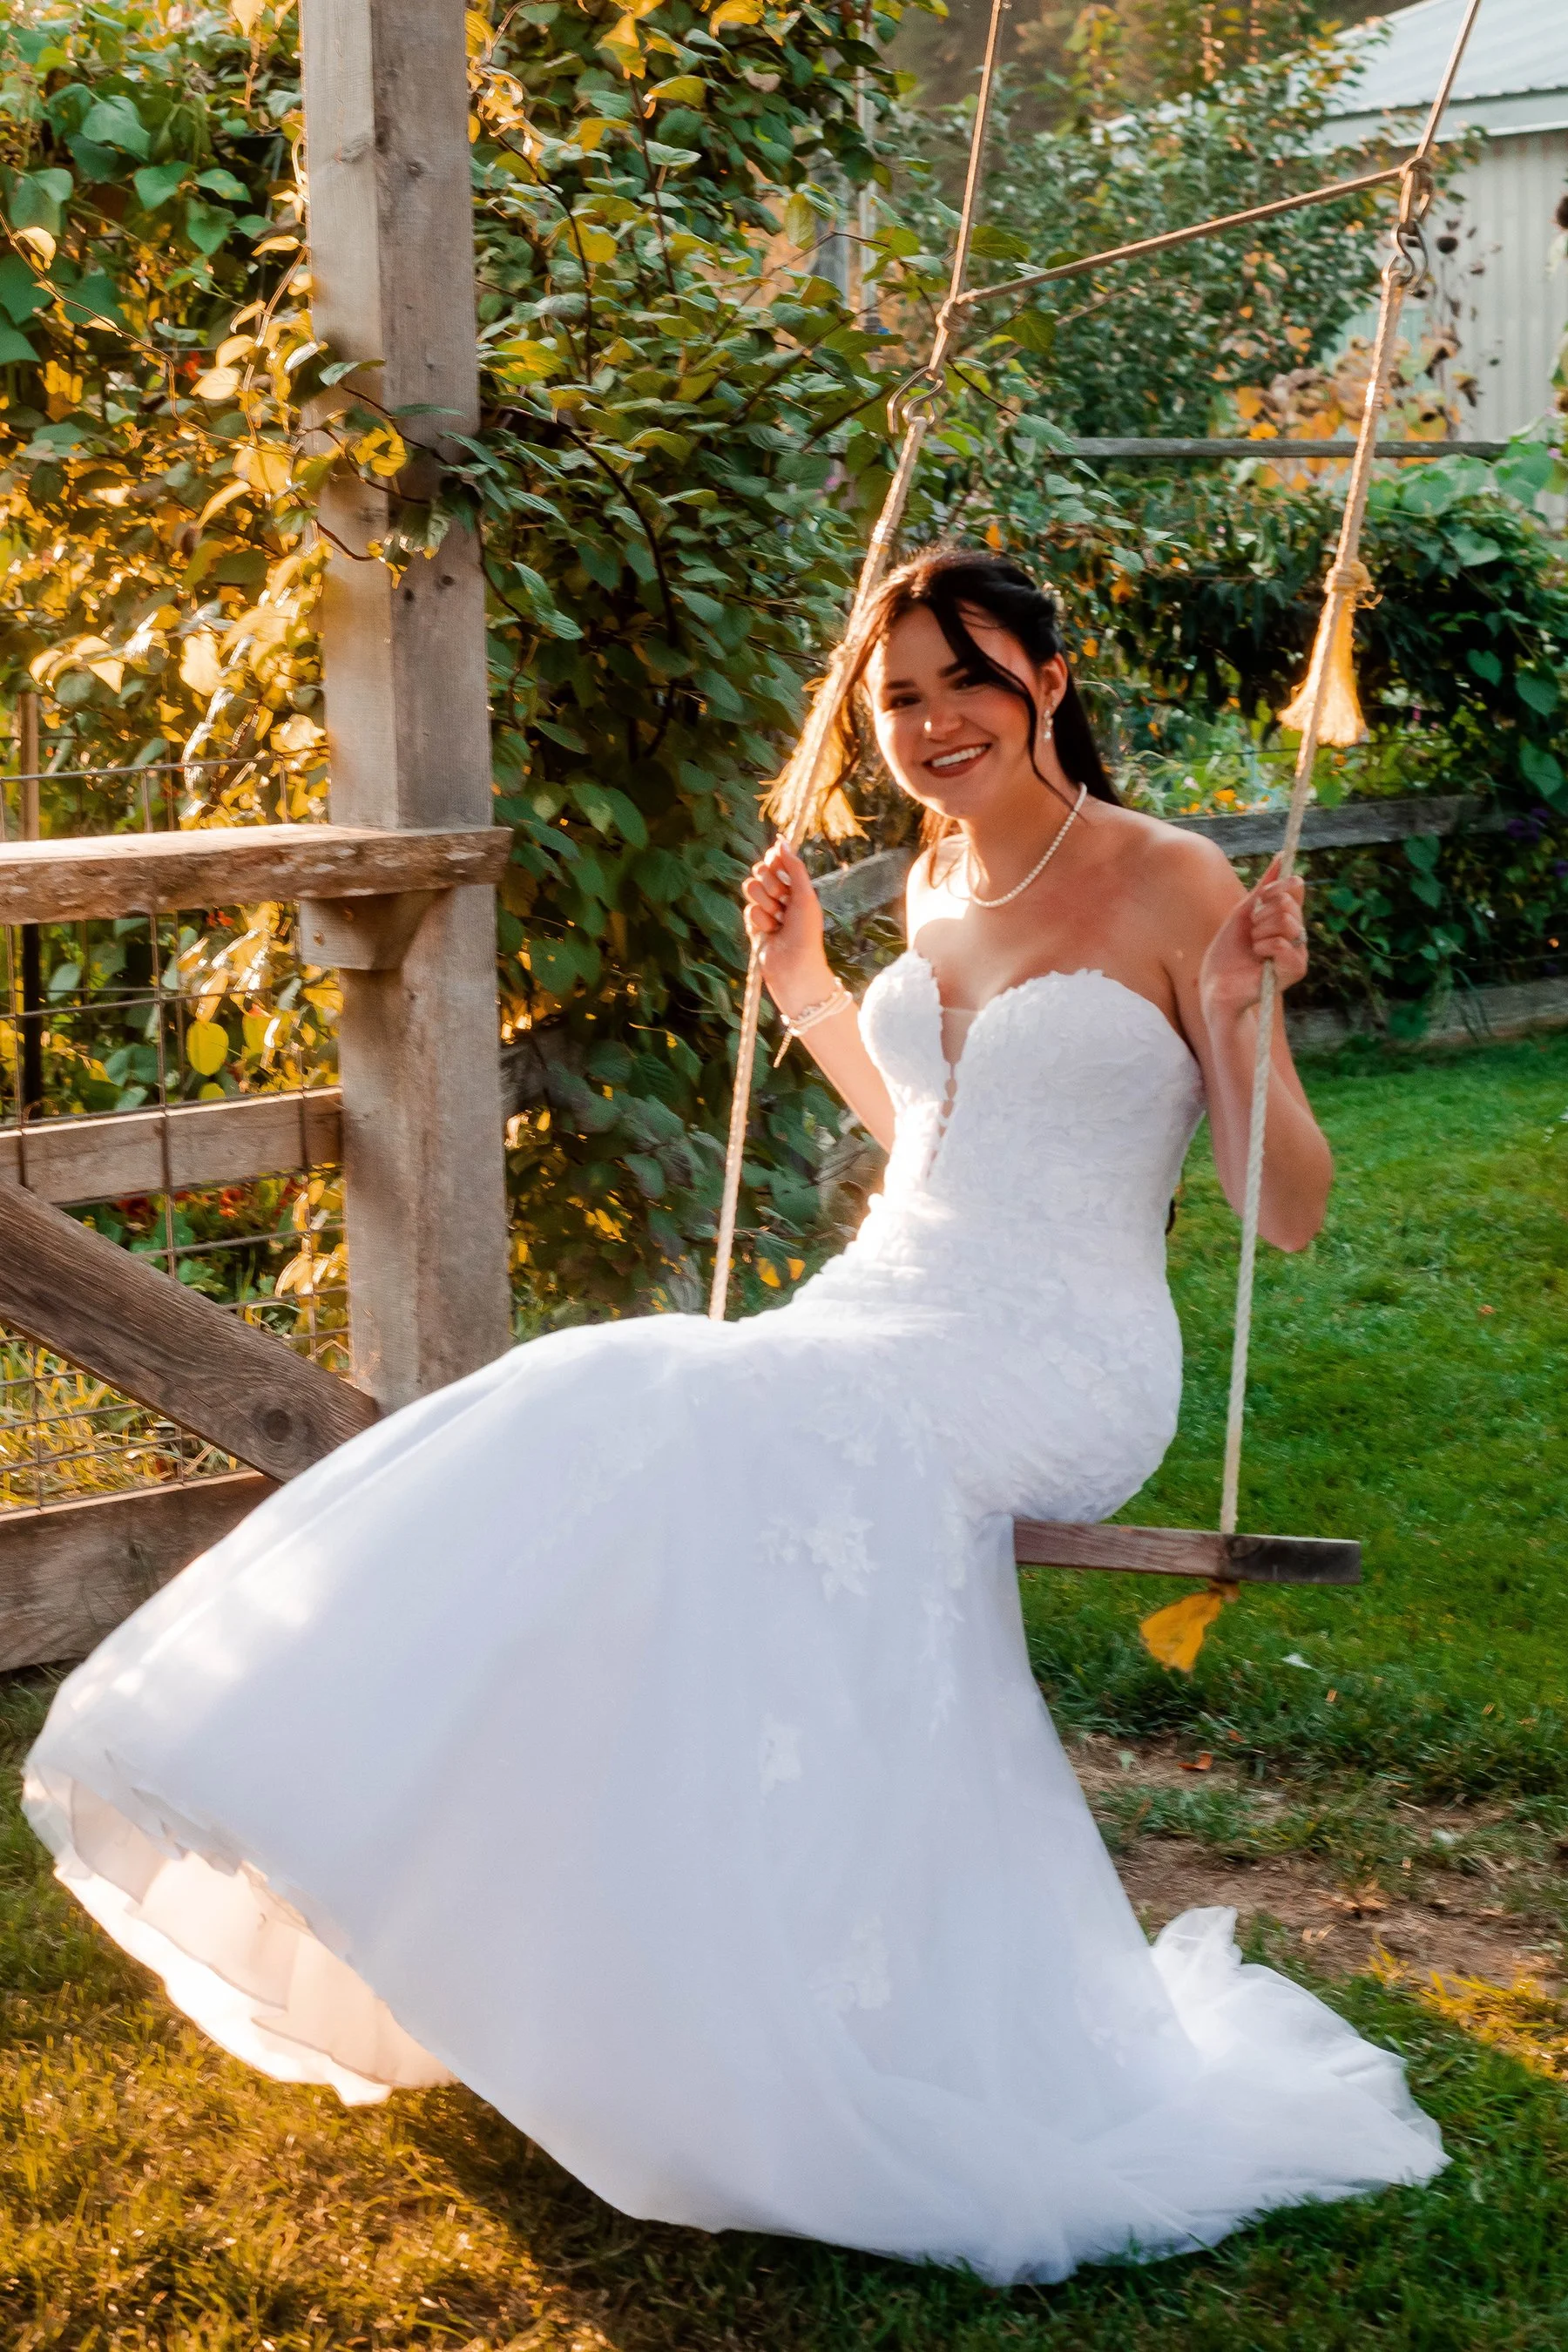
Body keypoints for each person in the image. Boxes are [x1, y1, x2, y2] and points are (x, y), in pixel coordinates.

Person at [24, 547, 1444, 2288]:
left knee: (668, 1400)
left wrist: (1243, 1016)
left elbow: (1281, 1208)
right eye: (898, 697)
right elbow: (937, 1133)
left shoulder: (1174, 885)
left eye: (965, 682)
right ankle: (548, 1911)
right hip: (878, 1313)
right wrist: (805, 995)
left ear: (1049, 684)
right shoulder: (929, 878)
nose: (930, 724)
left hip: (1059, 1352)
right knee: (625, 1405)